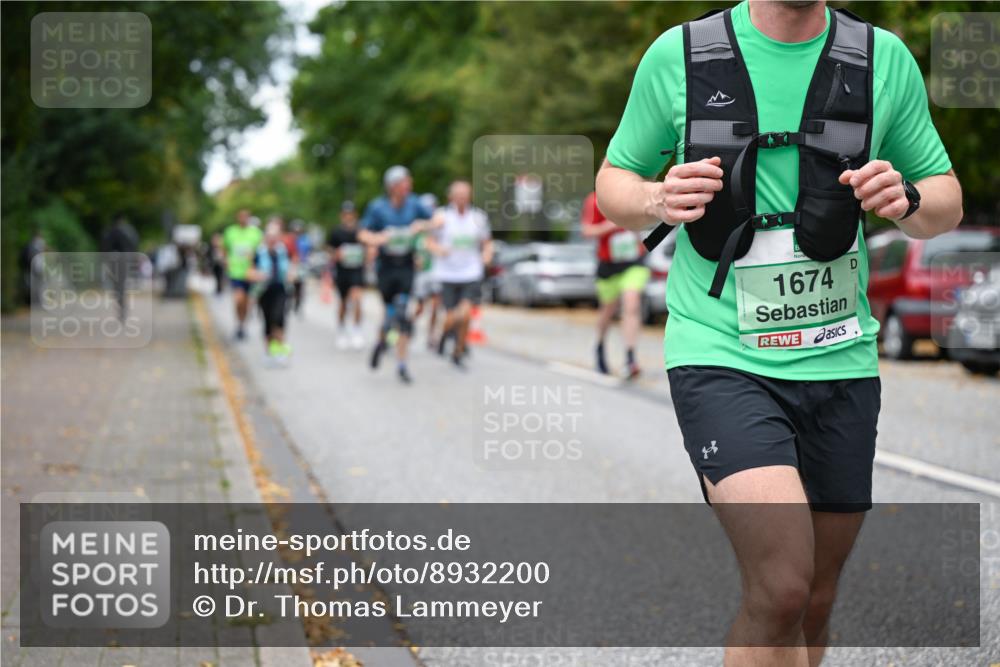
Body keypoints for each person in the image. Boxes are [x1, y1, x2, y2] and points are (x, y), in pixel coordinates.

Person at [595, 1, 962, 664]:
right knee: (783, 585)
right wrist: (656, 197)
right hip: (721, 352)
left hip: (842, 360)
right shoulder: (680, 55)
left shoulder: (882, 59)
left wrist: (907, 197)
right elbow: (613, 180)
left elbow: (946, 201)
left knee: (816, 599)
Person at [358, 165, 435, 384]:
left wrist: (422, 225)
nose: (409, 185)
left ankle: (402, 364)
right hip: (386, 267)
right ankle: (382, 341)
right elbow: (362, 234)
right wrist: (379, 238)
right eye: (405, 182)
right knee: (390, 315)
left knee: (403, 313)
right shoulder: (378, 207)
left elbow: (438, 219)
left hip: (406, 266)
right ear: (393, 186)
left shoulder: (415, 203)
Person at [580, 191, 649, 379]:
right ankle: (600, 346)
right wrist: (612, 225)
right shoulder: (594, 200)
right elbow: (587, 231)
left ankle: (630, 358)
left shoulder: (632, 193)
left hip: (633, 262)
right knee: (608, 311)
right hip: (608, 265)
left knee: (631, 304)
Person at [426, 180, 493, 368]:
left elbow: (487, 242)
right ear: (451, 197)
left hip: (470, 273)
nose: (462, 199)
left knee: (465, 315)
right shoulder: (442, 216)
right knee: (450, 317)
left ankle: (458, 351)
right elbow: (429, 242)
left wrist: (487, 255)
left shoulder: (478, 217)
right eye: (458, 195)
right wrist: (439, 249)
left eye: (465, 195)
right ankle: (444, 334)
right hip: (447, 274)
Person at [249, 221, 294, 364]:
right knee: (267, 321)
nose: (272, 238)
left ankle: (279, 350)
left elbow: (292, 267)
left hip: (280, 289)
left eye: (275, 235)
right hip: (264, 290)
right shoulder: (259, 252)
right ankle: (269, 351)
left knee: (278, 318)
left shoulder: (283, 251)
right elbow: (249, 271)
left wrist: (291, 274)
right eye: (270, 235)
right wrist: (257, 275)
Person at [327, 201, 367, 349]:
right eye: (345, 214)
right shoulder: (336, 232)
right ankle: (341, 329)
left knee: (357, 299)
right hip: (342, 271)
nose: (348, 217)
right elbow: (330, 250)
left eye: (350, 214)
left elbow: (368, 248)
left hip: (357, 270)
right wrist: (336, 254)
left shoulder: (361, 231)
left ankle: (357, 330)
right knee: (343, 302)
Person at [223, 209, 263, 340]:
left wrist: (255, 267)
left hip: (250, 274)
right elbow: (224, 248)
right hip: (235, 272)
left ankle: (242, 326)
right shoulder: (230, 232)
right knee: (238, 299)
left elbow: (261, 253)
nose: (243, 219)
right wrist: (226, 260)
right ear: (237, 217)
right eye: (241, 216)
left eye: (246, 216)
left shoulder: (256, 233)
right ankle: (239, 323)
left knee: (246, 302)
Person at [412, 193, 443, 350]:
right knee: (419, 308)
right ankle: (405, 328)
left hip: (436, 272)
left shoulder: (437, 229)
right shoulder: (417, 230)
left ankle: (431, 335)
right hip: (422, 274)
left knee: (436, 306)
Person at [100, 213, 139, 320]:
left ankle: (121, 304)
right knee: (121, 284)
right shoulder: (129, 231)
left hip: (116, 261)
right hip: (124, 261)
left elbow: (105, 247)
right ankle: (122, 304)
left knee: (117, 285)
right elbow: (134, 246)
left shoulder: (112, 231)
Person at [289, 219, 311, 315]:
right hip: (291, 264)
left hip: (301, 265)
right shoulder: (290, 239)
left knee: (300, 285)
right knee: (290, 285)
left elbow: (307, 252)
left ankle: (298, 304)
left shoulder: (305, 240)